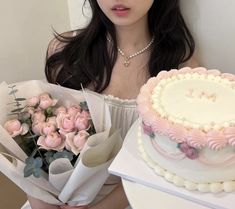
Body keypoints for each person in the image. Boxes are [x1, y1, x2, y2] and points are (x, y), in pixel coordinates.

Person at [27, 0, 197, 208]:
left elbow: (163, 166)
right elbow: (36, 145)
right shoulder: (64, 53)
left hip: (134, 199)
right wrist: (41, 201)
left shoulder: (182, 72)